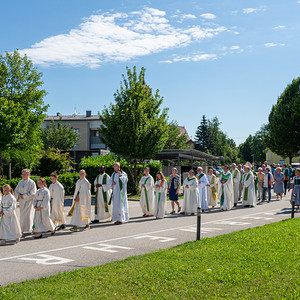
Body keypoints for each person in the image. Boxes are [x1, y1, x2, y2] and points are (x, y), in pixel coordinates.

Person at [14, 169, 37, 237]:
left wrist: (24, 196)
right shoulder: (20, 182)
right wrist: (18, 195)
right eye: (22, 174)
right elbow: (16, 190)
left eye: (25, 174)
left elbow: (33, 193)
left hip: (28, 202)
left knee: (29, 216)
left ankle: (30, 229)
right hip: (22, 202)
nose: (23, 175)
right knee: (22, 216)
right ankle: (22, 230)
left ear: (28, 175)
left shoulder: (32, 183)